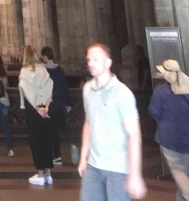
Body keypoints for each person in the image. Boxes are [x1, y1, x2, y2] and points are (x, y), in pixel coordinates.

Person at [79, 43, 146, 201]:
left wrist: (135, 174)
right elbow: (88, 123)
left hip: (118, 168)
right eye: (89, 59)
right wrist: (83, 157)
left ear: (108, 63)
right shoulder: (87, 89)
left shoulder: (122, 93)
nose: (91, 63)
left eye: (96, 59)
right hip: (94, 166)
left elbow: (134, 135)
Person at [149, 59, 189, 201]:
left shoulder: (161, 91)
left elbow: (153, 112)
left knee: (179, 173)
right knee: (184, 175)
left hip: (169, 140)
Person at [19, 45, 54, 186]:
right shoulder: (43, 69)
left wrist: (36, 107)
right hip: (45, 108)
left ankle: (40, 175)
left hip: (33, 110)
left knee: (36, 141)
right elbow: (50, 86)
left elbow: (25, 90)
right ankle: (48, 174)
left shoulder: (24, 71)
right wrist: (46, 105)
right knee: (47, 140)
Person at [41, 46, 72, 165]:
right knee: (58, 130)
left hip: (49, 103)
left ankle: (54, 155)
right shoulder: (60, 70)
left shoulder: (44, 71)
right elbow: (65, 88)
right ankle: (59, 154)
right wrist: (68, 103)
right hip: (59, 104)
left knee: (50, 130)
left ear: (45, 56)